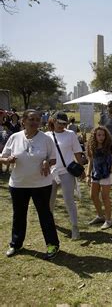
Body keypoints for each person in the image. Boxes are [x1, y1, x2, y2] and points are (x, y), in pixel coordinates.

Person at [1, 109, 60, 260]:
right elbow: (3, 156)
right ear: (23, 121)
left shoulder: (46, 139)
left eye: (37, 119)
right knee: (19, 215)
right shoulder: (15, 137)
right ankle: (16, 244)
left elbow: (53, 159)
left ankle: (52, 245)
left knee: (45, 215)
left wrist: (47, 162)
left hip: (41, 184)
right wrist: (7, 160)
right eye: (31, 119)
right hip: (18, 184)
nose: (35, 122)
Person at [46, 112, 84, 240]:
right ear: (53, 121)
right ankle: (49, 224)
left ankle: (74, 227)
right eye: (59, 123)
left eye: (64, 124)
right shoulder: (47, 136)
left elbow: (78, 152)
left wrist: (82, 169)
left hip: (67, 172)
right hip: (51, 173)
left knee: (69, 200)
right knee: (49, 201)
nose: (62, 126)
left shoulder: (70, 134)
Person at [86, 126, 112, 229]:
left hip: (106, 174)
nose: (101, 137)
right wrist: (88, 175)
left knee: (105, 197)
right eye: (99, 135)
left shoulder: (109, 146)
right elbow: (90, 161)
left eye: (103, 135)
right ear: (94, 136)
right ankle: (100, 215)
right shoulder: (92, 146)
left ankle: (108, 220)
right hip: (95, 174)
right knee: (93, 195)